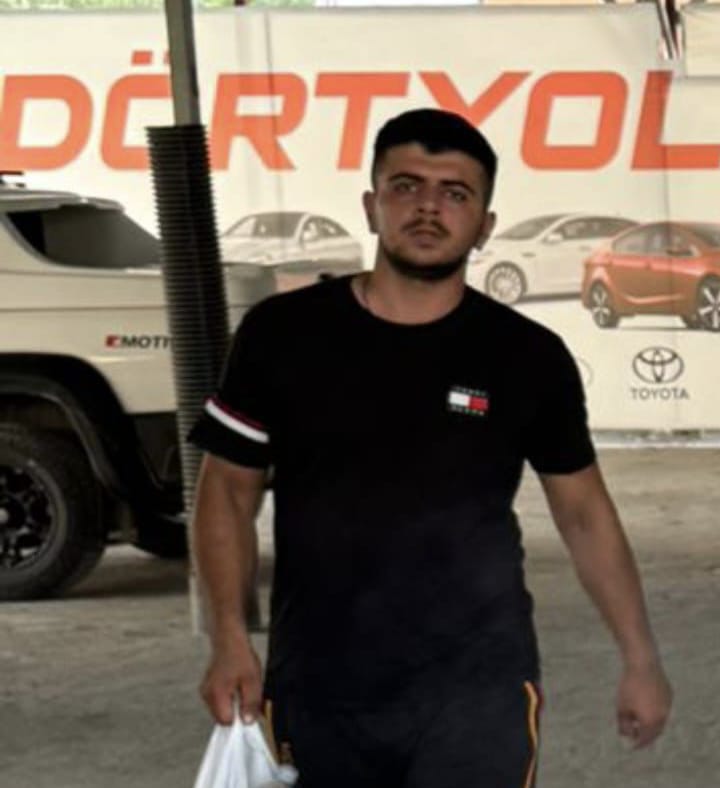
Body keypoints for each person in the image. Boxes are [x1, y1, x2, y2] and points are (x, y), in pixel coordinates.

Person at [188, 108, 672, 788]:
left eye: (455, 193)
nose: (428, 207)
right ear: (371, 204)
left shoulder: (527, 357)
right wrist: (229, 639)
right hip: (321, 682)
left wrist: (641, 658)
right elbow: (226, 490)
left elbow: (585, 512)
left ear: (485, 225)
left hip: (480, 686)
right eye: (406, 186)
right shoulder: (283, 335)